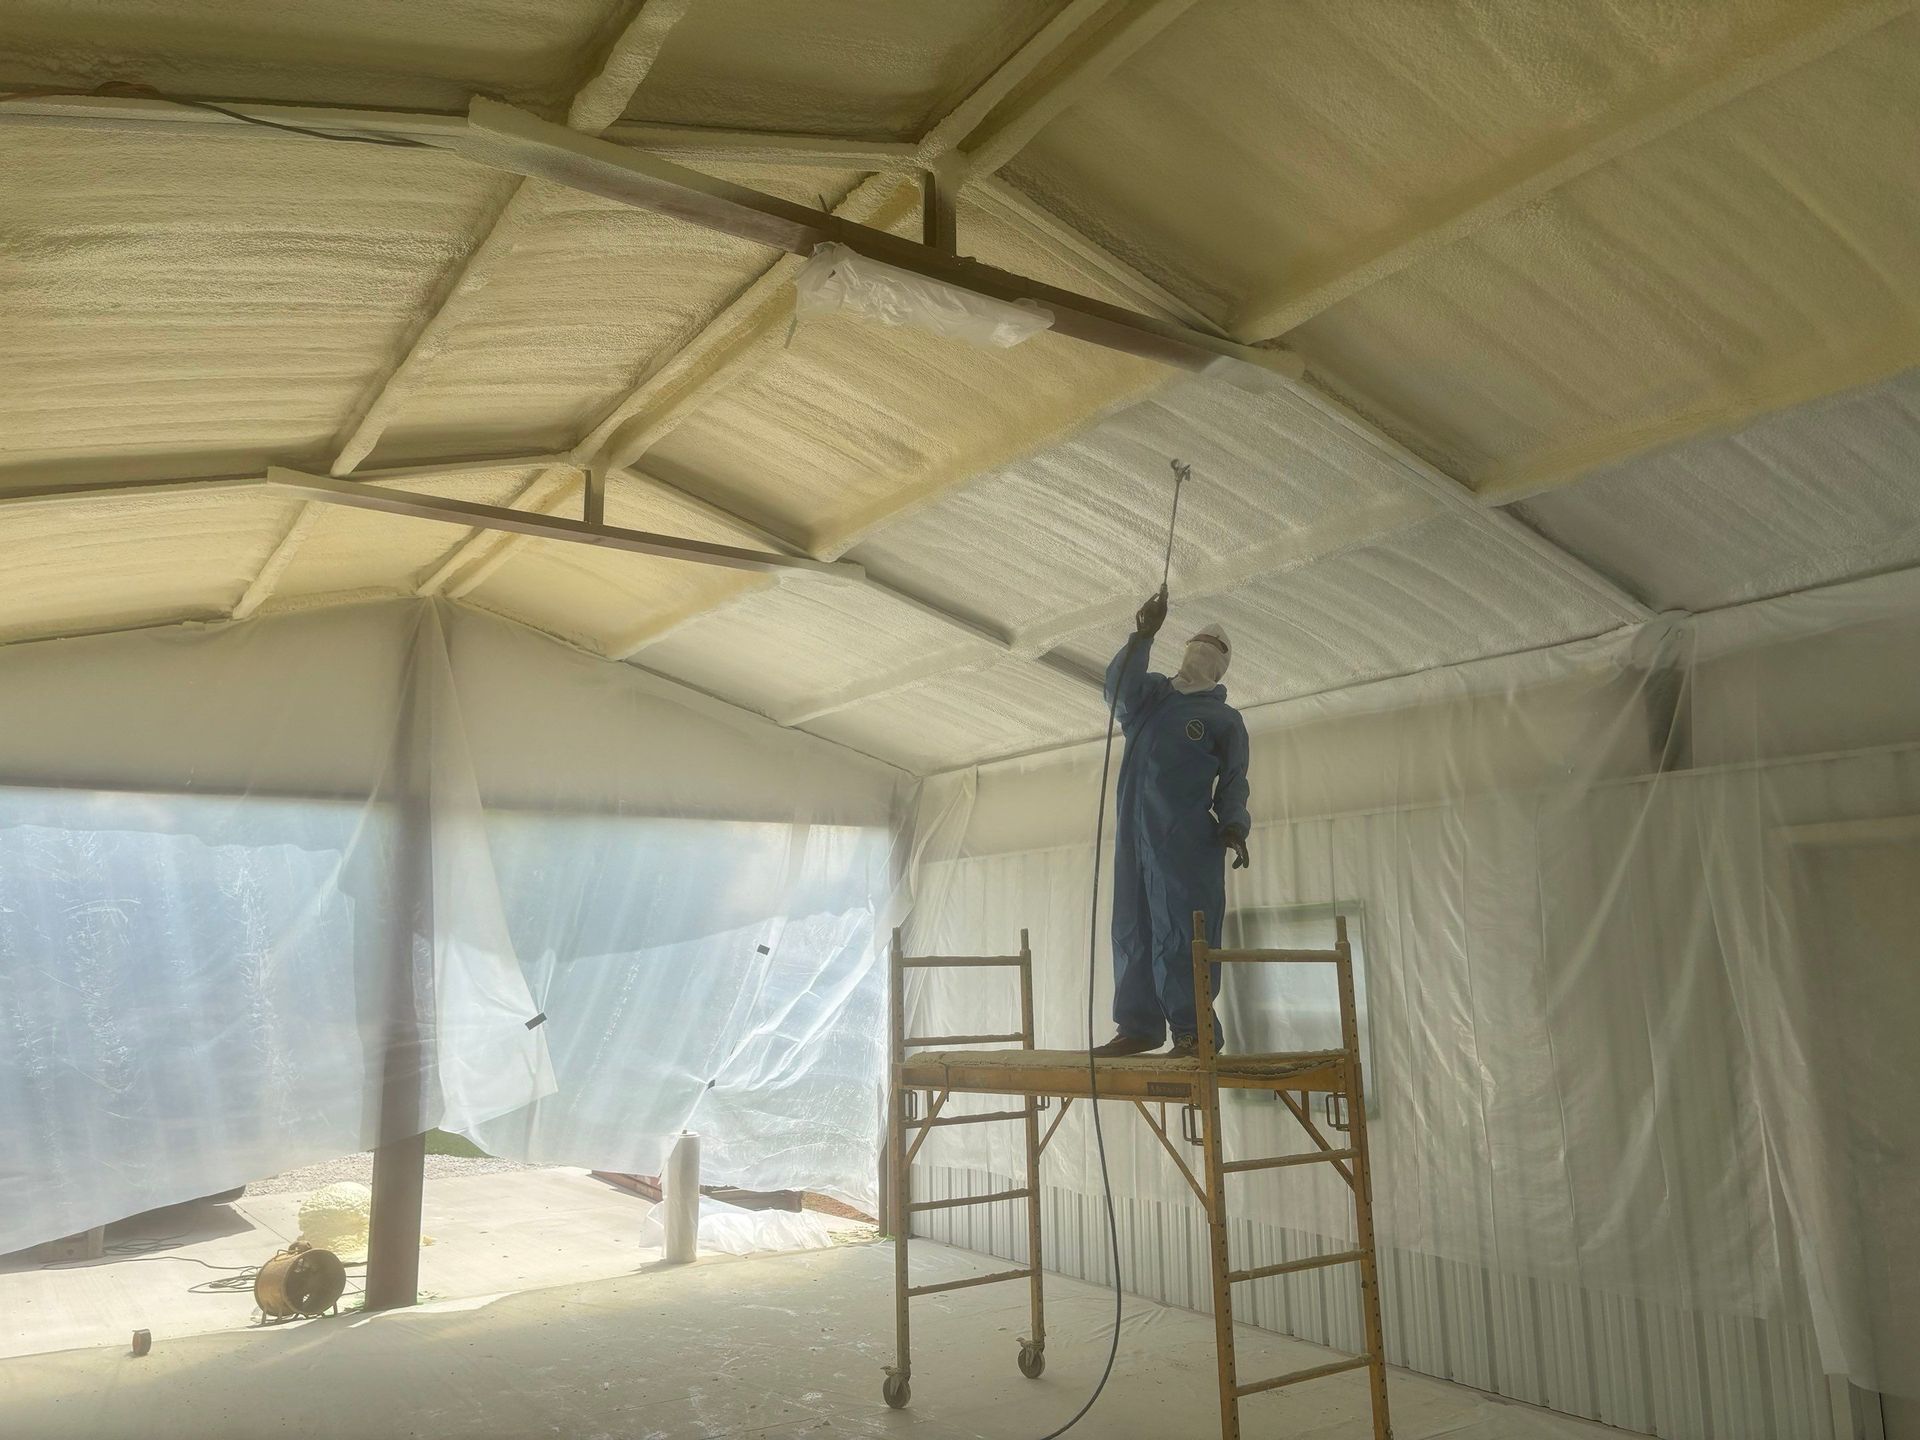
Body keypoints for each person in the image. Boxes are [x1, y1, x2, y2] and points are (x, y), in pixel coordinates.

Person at [1095, 588, 1251, 1060]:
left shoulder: (1222, 718)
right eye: (1198, 641)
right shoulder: (1151, 698)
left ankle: (1194, 1031)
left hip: (1185, 840)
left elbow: (1235, 779)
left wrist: (1234, 825)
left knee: (1183, 931)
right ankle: (1138, 1026)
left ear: (1222, 666)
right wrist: (1143, 636)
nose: (1204, 648)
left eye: (1214, 647)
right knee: (1133, 925)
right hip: (1133, 836)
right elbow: (1116, 690)